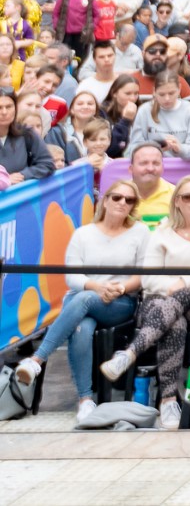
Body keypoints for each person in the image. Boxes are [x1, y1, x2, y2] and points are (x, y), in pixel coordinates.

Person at [98, 175, 190, 430]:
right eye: (187, 196)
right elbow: (149, 275)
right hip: (159, 299)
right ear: (177, 201)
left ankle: (129, 354)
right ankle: (169, 400)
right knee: (175, 320)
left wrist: (180, 284)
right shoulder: (162, 229)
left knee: (181, 300)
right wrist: (175, 285)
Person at [12, 182, 149, 425]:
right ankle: (85, 400)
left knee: (82, 300)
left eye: (129, 200)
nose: (122, 203)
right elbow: (72, 276)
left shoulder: (140, 232)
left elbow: (142, 274)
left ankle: (37, 361)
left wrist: (118, 288)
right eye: (117, 197)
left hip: (120, 302)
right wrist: (97, 287)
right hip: (84, 298)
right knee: (82, 328)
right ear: (104, 200)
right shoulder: (83, 233)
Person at [127, 71, 190, 160]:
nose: (167, 99)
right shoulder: (144, 111)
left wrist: (180, 148)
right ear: (154, 92)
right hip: (152, 163)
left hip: (182, 166)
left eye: (171, 93)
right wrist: (154, 148)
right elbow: (134, 147)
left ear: (179, 89)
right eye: (162, 94)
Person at [0, 90, 53, 183]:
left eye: (8, 107)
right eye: (0, 107)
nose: (4, 112)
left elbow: (46, 164)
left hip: (20, 193)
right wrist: (4, 180)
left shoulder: (26, 133)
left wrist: (23, 175)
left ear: (15, 108)